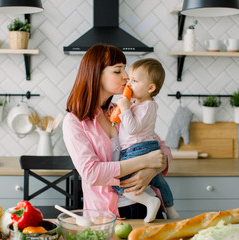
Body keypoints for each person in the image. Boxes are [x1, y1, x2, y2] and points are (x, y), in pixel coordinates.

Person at [63, 44, 173, 219]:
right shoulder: (75, 122)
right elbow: (92, 173)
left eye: (125, 69)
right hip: (108, 214)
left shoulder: (123, 111)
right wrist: (144, 161)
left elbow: (163, 150)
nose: (126, 76)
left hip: (149, 205)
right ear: (96, 75)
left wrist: (151, 170)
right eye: (117, 71)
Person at [113, 58, 179, 222]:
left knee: (119, 182)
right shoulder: (139, 103)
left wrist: (125, 108)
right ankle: (170, 209)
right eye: (129, 80)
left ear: (150, 88)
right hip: (143, 147)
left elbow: (132, 128)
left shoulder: (147, 106)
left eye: (134, 81)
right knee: (158, 181)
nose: (129, 85)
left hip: (137, 149)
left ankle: (150, 201)